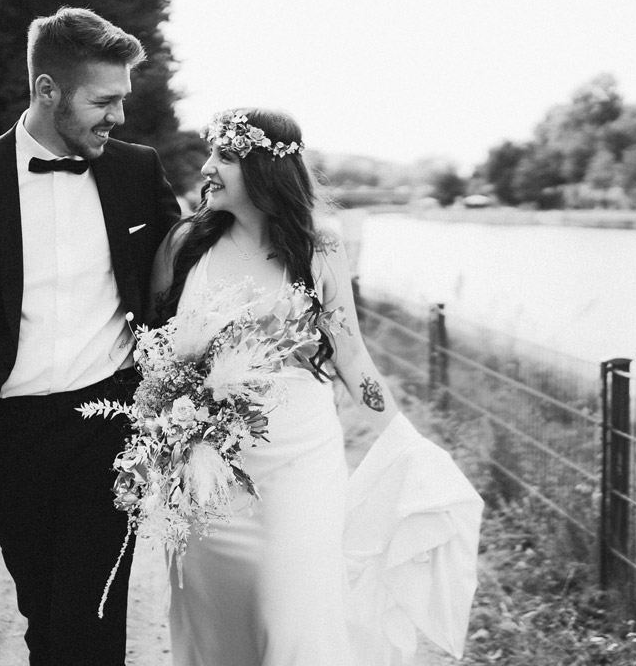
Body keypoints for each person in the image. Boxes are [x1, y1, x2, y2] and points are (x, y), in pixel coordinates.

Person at [0, 7, 181, 665]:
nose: (118, 117)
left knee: (94, 615)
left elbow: (183, 272)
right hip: (3, 438)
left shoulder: (136, 173)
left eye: (123, 101)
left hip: (108, 427)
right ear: (47, 91)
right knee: (46, 613)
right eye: (104, 101)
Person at [150, 108, 480, 665]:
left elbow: (349, 352)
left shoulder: (318, 248)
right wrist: (164, 428)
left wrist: (401, 434)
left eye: (224, 156)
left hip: (298, 458)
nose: (207, 166)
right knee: (214, 613)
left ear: (262, 170)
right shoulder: (185, 245)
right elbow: (155, 352)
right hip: (206, 465)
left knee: (290, 613)